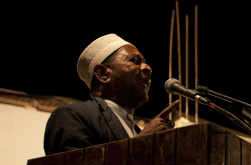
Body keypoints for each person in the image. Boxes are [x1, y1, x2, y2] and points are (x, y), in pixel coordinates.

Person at [44, 33, 180, 155]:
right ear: (103, 74)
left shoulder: (136, 130)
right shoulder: (72, 117)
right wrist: (140, 144)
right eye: (135, 61)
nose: (148, 68)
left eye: (144, 62)